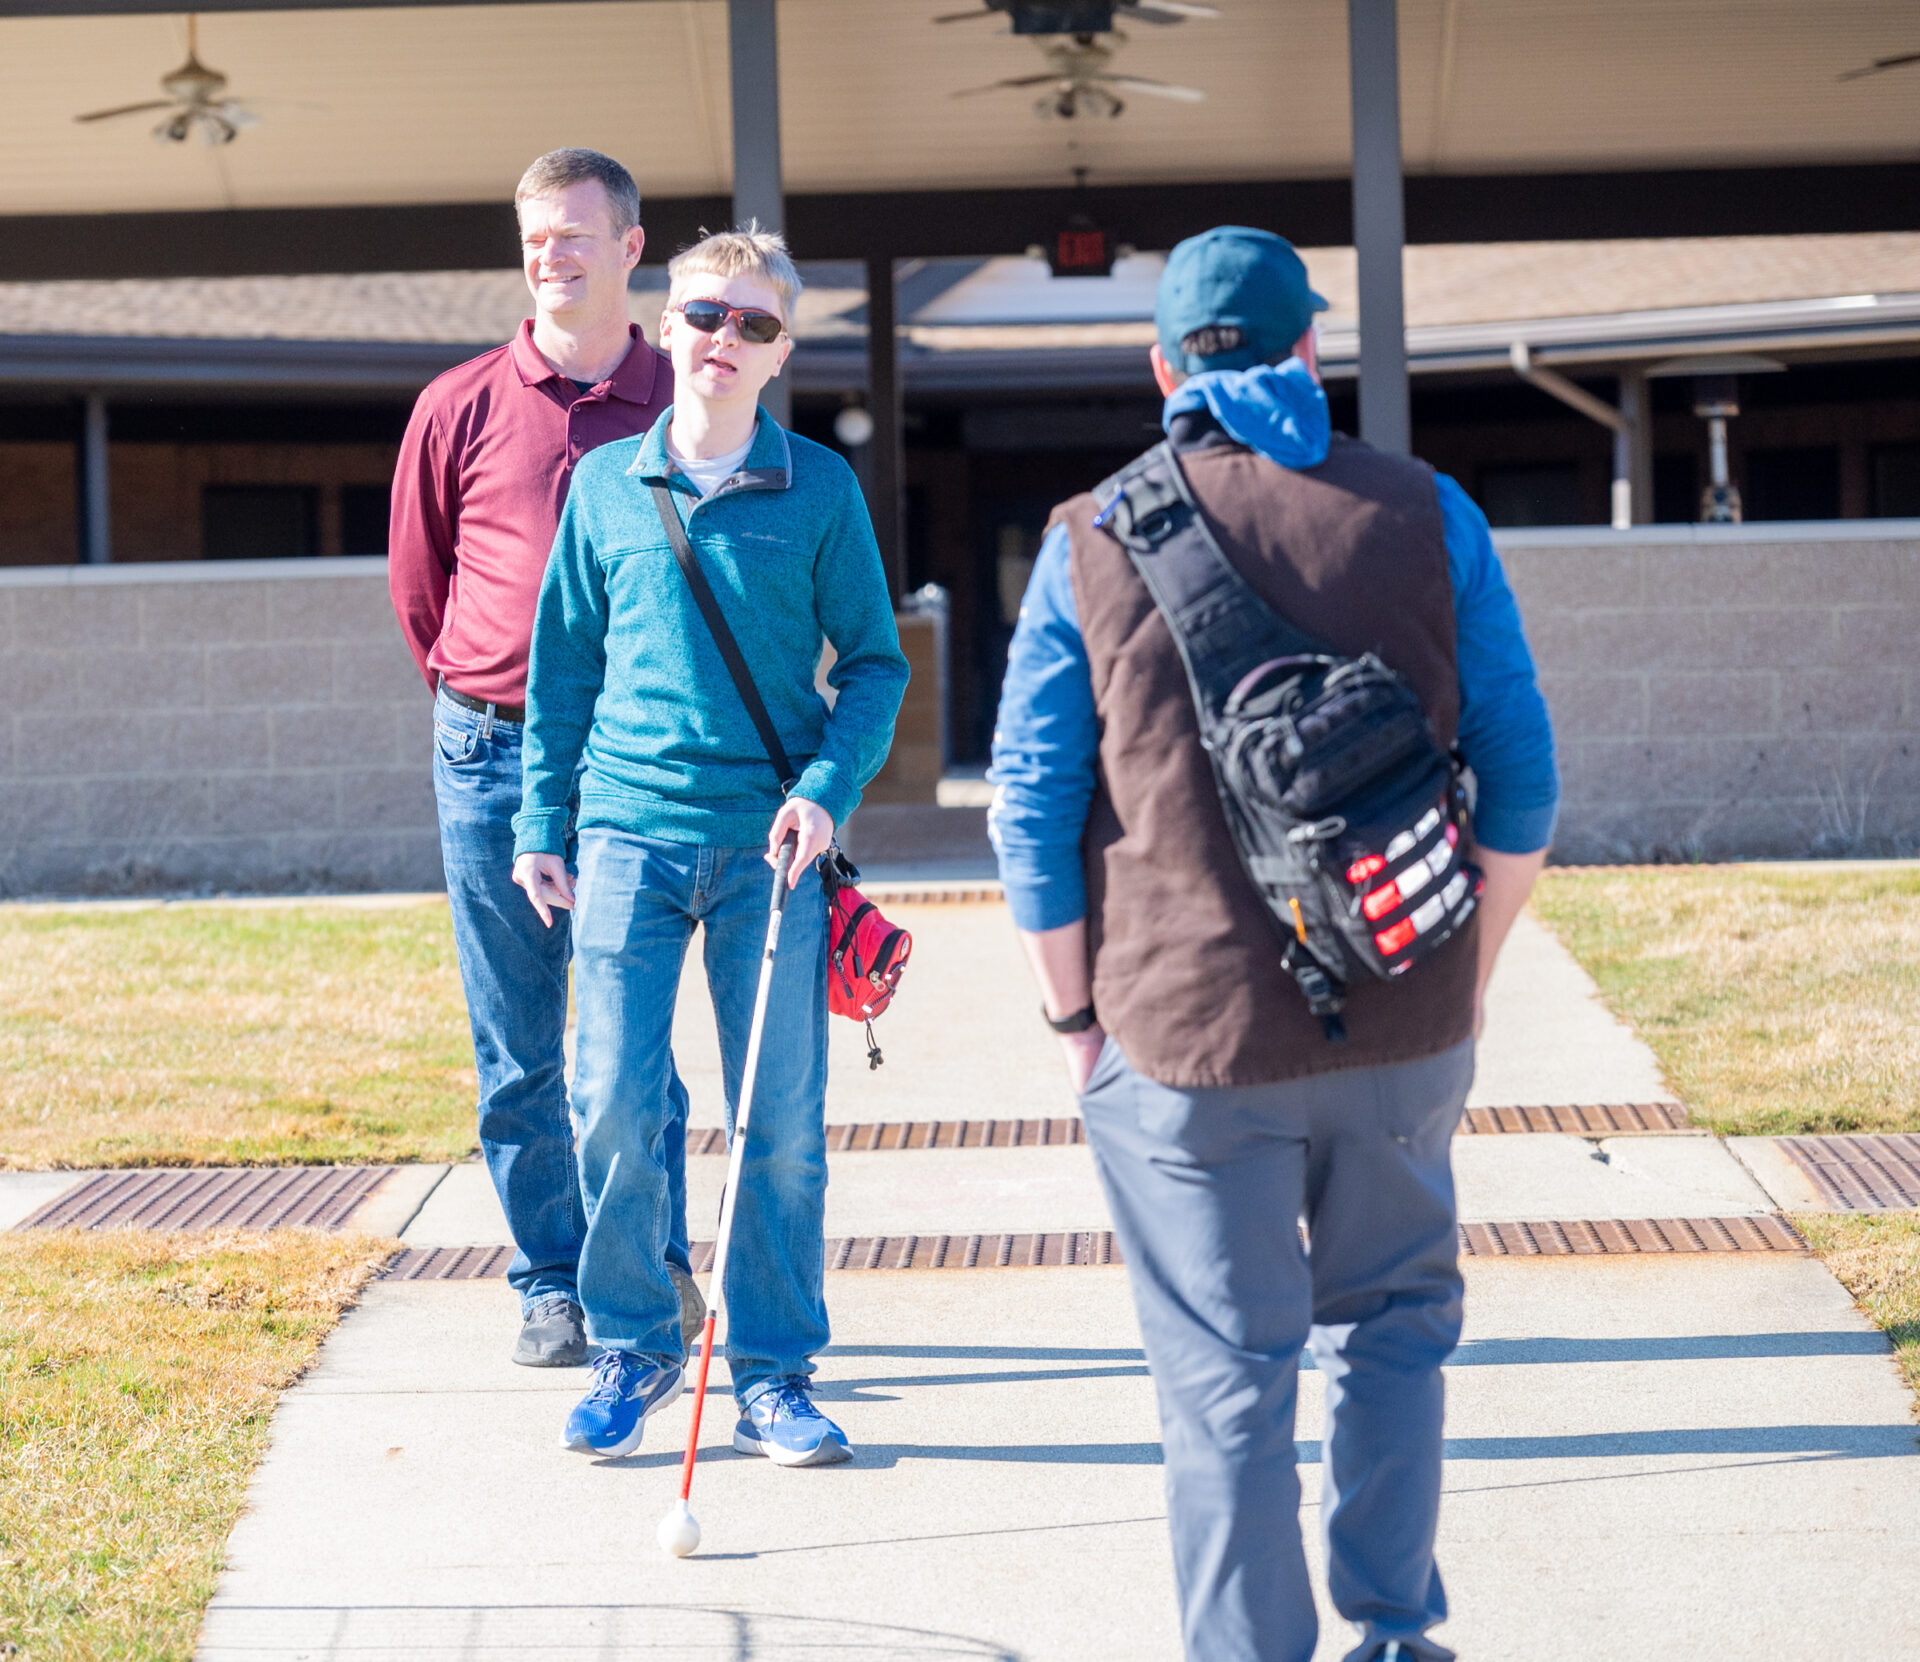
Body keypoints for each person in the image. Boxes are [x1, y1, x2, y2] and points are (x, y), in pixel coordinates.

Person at [988, 226, 1559, 1662]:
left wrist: (1077, 1028)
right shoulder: (1430, 512)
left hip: (1184, 1041)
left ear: (1164, 363)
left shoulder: (1088, 540)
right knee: (1398, 1327)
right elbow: (1528, 787)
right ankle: (1394, 1627)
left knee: (1226, 1381)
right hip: (1407, 1016)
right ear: (1310, 346)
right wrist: (1462, 982)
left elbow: (1030, 812)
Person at [511, 226, 909, 1463]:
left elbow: (879, 668)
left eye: (753, 324)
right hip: (625, 834)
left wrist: (828, 791)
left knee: (778, 1124)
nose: (723, 340)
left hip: (771, 852)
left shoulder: (821, 491)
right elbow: (561, 670)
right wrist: (540, 821)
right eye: (703, 316)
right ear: (664, 325)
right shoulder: (603, 488)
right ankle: (632, 1348)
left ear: (783, 350)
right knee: (612, 1105)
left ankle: (777, 1375)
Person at [388, 147, 702, 1369]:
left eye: (575, 233)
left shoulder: (692, 395)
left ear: (633, 247)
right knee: (518, 1043)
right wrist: (494, 703)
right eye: (534, 236)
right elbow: (423, 594)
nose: (551, 255)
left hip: (643, 760)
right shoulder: (457, 404)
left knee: (631, 1044)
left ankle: (655, 1260)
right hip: (490, 751)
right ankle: (551, 1281)